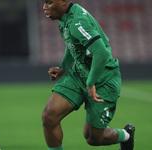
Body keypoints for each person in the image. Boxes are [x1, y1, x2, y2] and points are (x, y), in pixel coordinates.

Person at [41, 0, 135, 150]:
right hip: (79, 73)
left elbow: (101, 52)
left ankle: (126, 135)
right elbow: (74, 44)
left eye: (49, 2)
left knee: (93, 138)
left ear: (63, 1)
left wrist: (91, 83)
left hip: (103, 78)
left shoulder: (78, 22)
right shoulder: (65, 19)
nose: (45, 7)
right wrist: (63, 67)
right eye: (44, 2)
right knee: (49, 116)